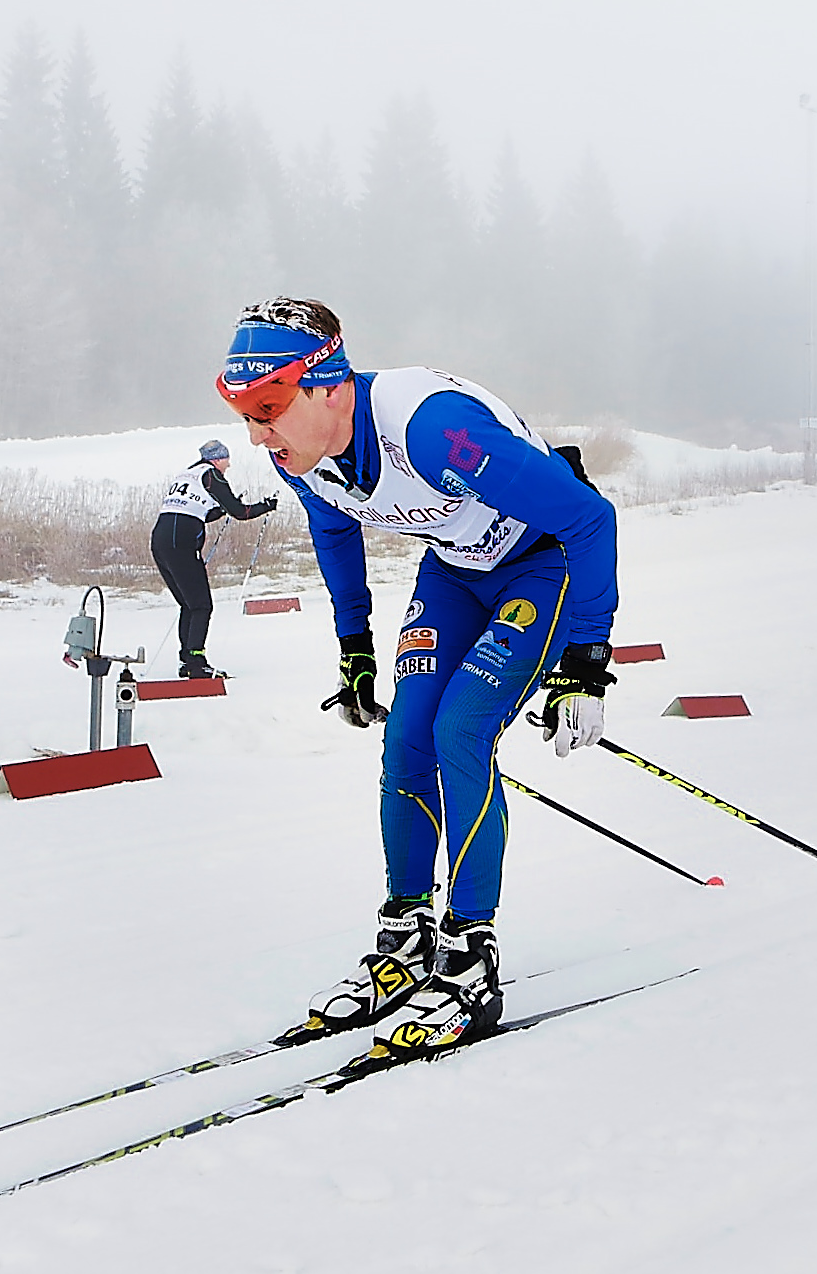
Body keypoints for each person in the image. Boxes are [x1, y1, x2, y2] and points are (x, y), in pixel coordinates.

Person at [220, 298, 619, 1057]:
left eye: (267, 409)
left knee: (459, 731)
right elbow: (334, 530)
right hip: (454, 573)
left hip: (542, 567)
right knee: (406, 739)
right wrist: (354, 648)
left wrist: (585, 663)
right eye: (242, 412)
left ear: (327, 387)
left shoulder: (431, 429)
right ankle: (406, 938)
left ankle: (471, 954)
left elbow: (589, 520)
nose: (256, 434)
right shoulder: (295, 454)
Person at [151, 439, 278, 679]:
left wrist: (221, 510)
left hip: (160, 541)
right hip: (181, 543)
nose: (228, 465)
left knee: (189, 605)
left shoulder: (188, 473)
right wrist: (266, 506)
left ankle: (187, 660)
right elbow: (240, 512)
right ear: (217, 459)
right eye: (227, 460)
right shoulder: (212, 476)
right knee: (202, 606)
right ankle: (196, 663)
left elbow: (198, 512)